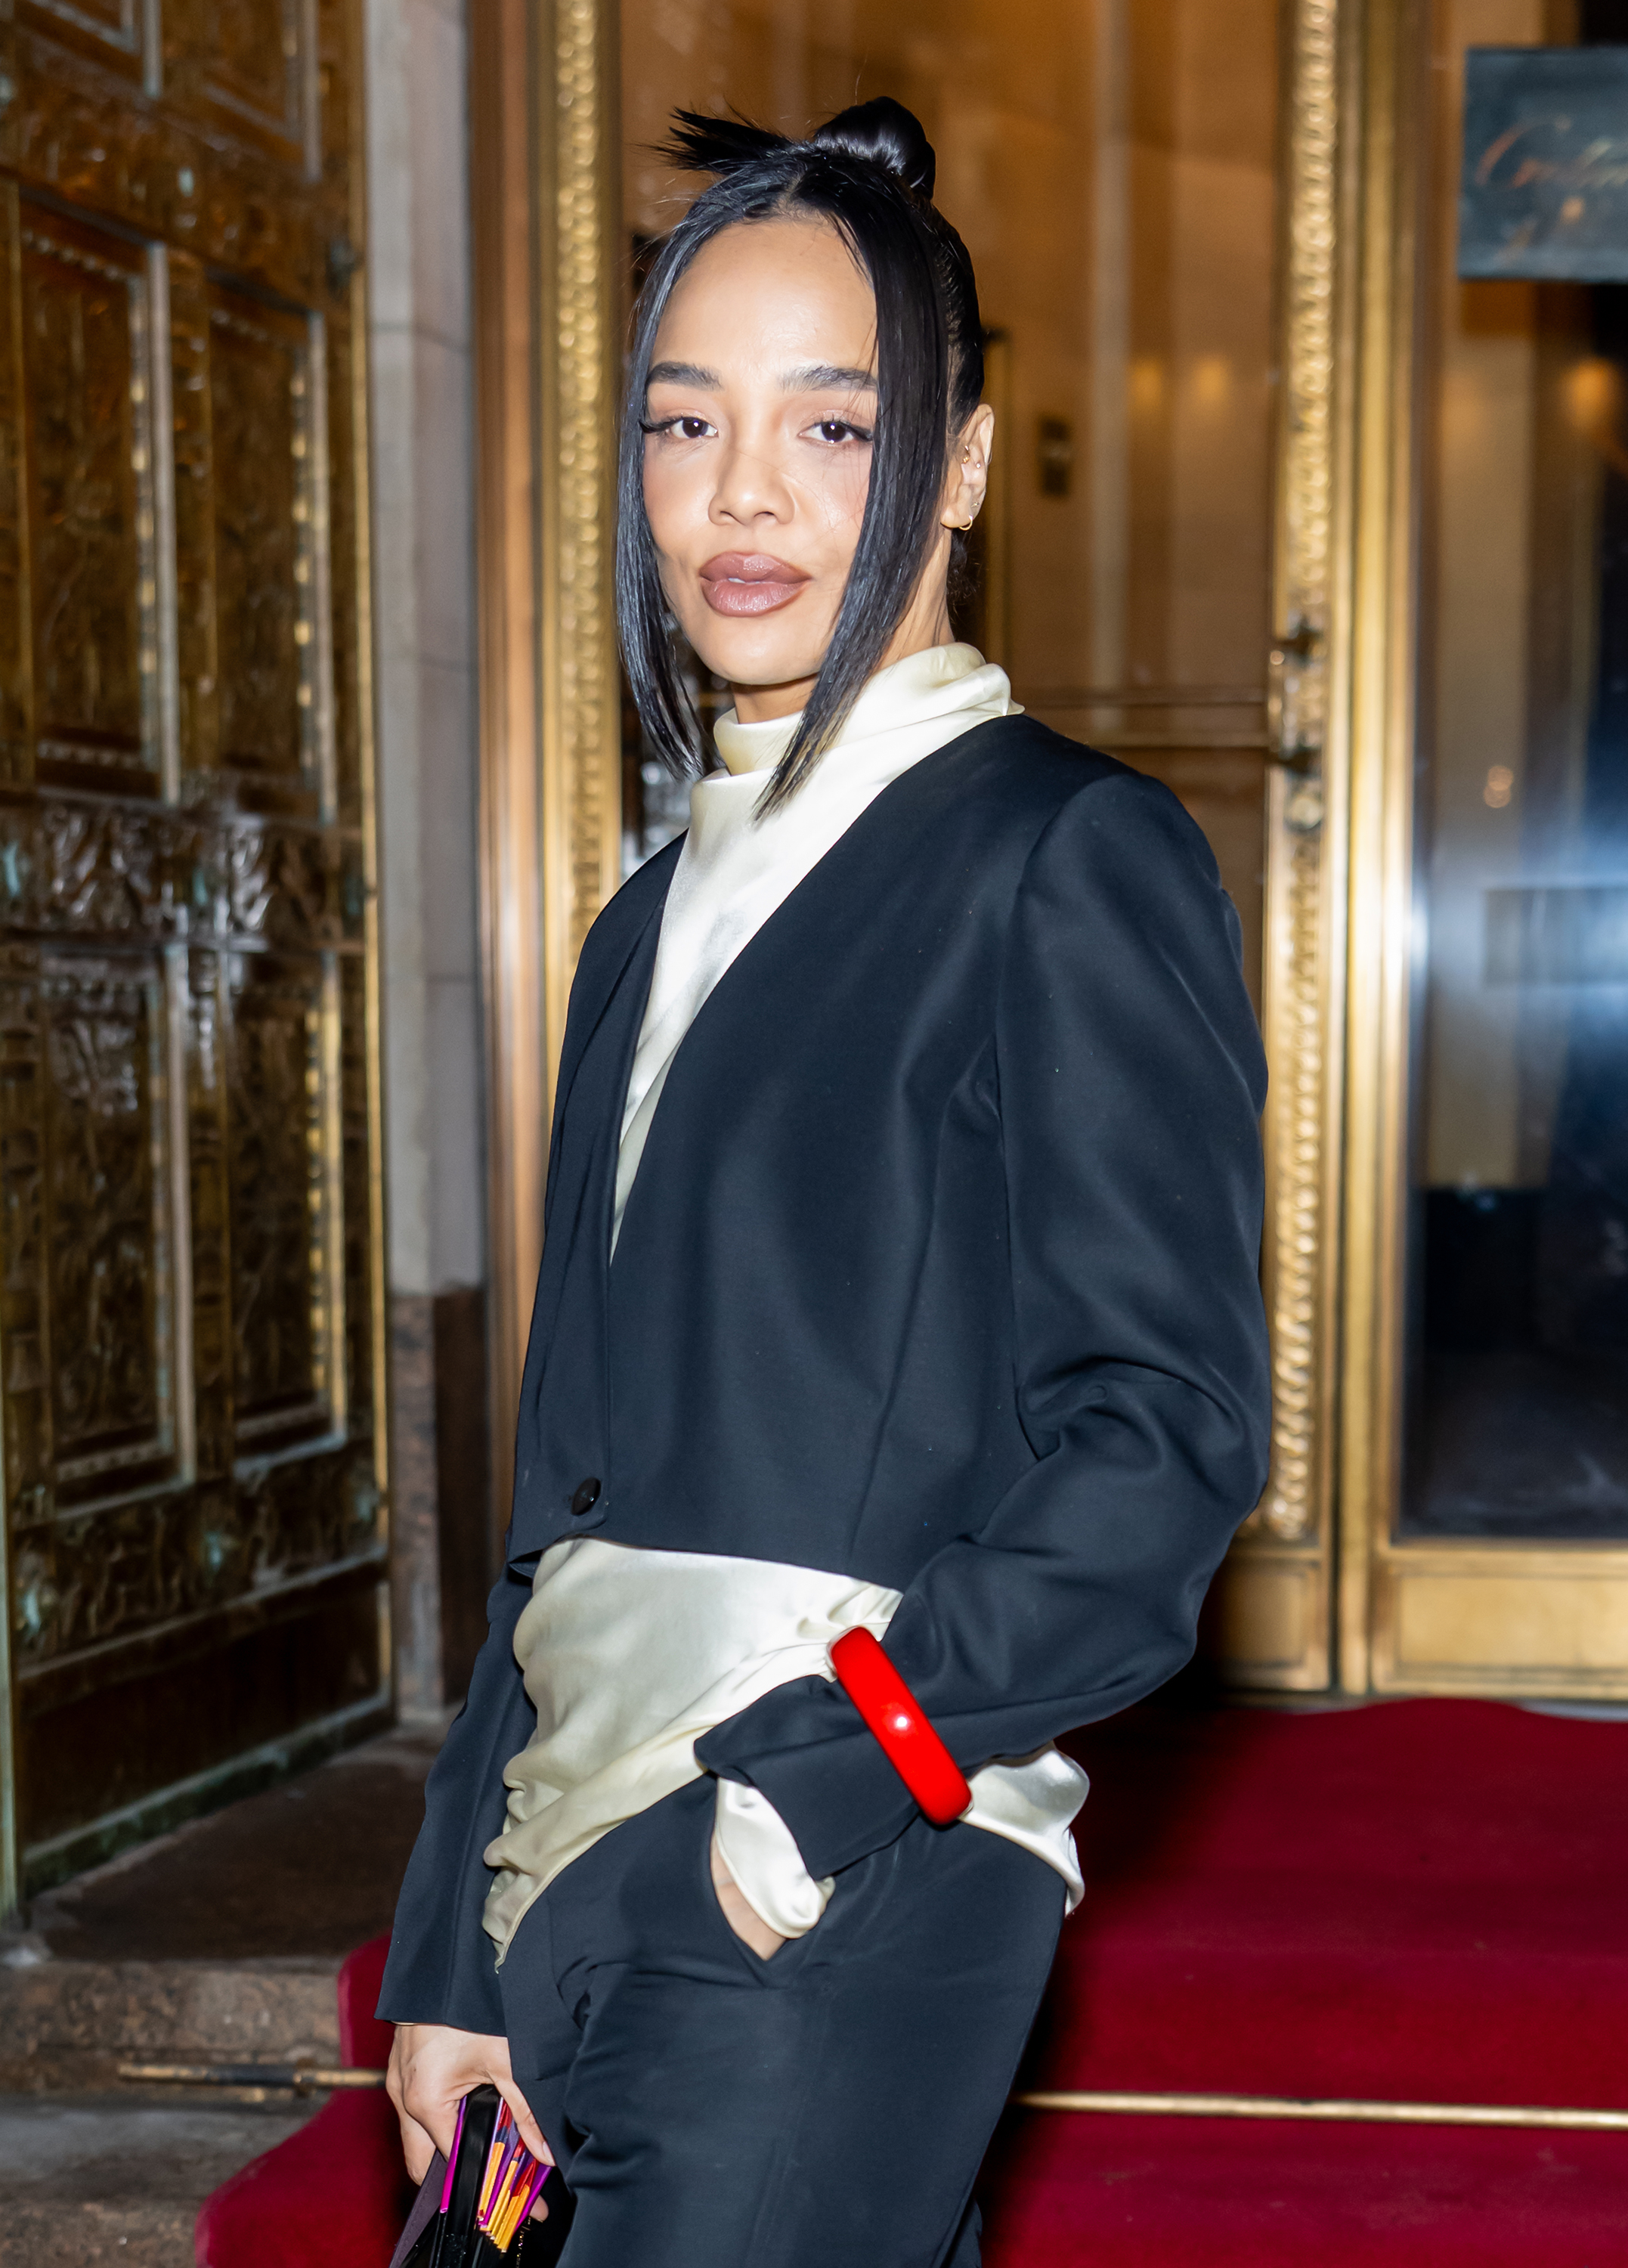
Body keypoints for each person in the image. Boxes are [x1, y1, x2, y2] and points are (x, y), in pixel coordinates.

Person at [379, 97, 1270, 2268]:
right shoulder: (636, 925)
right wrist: (453, 1942)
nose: (744, 492)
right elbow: (561, 1485)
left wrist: (808, 1800)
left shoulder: (1064, 853)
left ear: (959, 464)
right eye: (685, 422)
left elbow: (1162, 1442)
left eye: (832, 425)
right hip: (573, 1862)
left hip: (840, 1865)